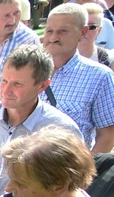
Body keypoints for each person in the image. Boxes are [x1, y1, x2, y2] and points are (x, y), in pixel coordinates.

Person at [0, 44, 81, 197]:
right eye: (4, 81)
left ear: (42, 86)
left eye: (17, 84)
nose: (6, 90)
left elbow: (71, 186)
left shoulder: (61, 130)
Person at [40, 3, 114, 154]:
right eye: (49, 31)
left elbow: (108, 135)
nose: (53, 38)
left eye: (63, 31)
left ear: (83, 32)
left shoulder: (99, 77)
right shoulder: (28, 70)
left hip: (69, 172)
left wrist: (85, 173)